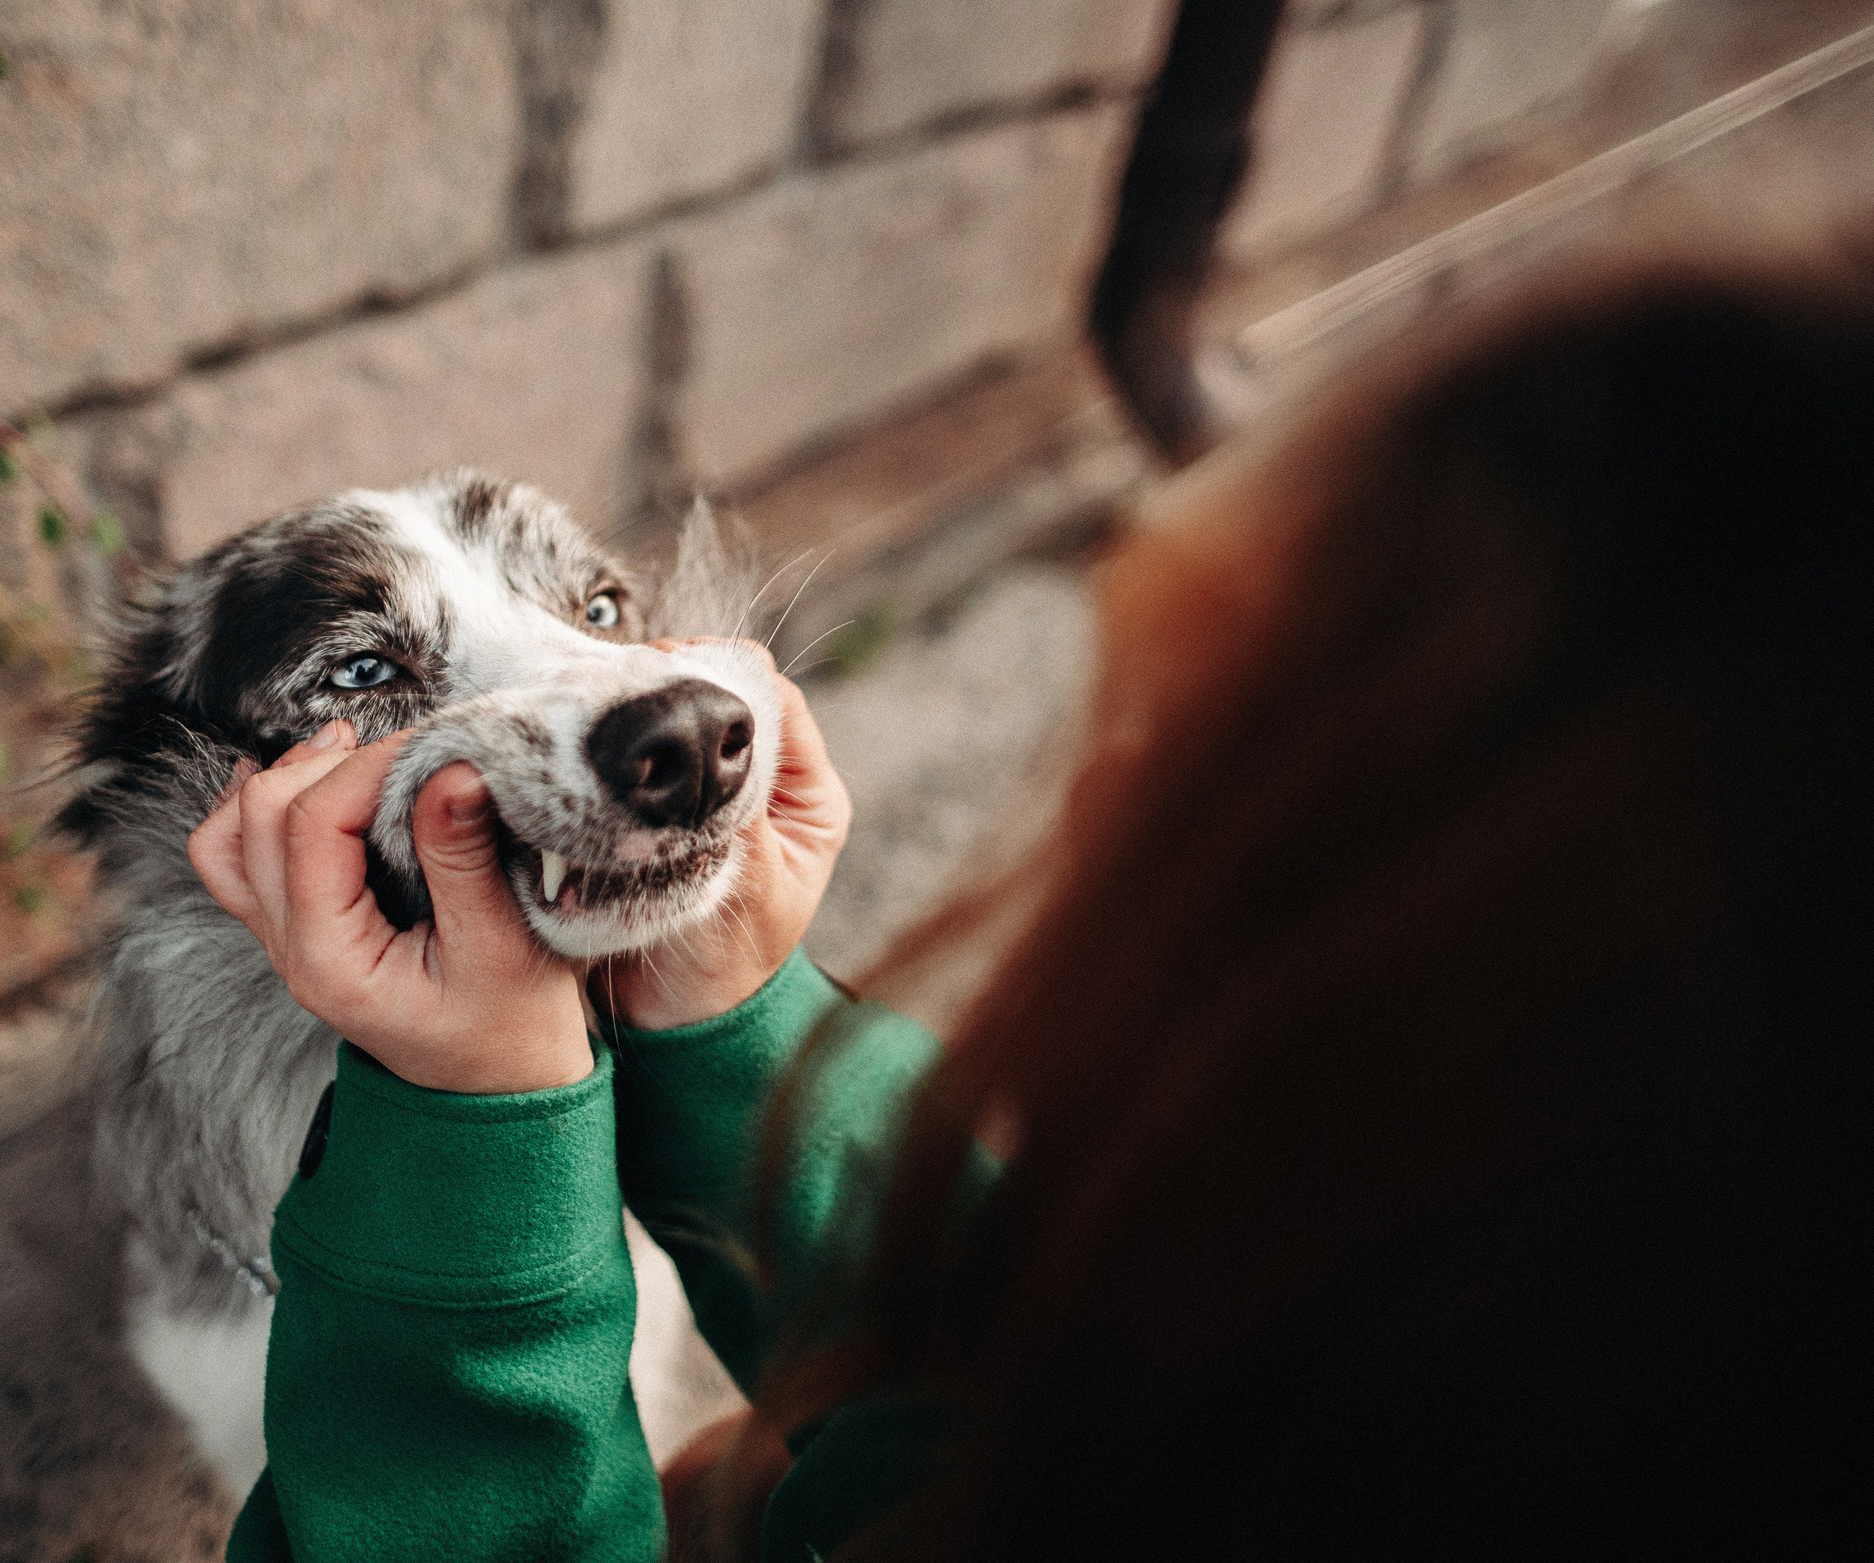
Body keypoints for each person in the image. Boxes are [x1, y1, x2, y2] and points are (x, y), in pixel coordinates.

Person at [187, 236, 1874, 1560]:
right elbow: (1021, 1361)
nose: (1082, 783)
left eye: (1175, 754)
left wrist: (475, 1152)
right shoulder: (1372, 1423)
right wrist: (733, 1016)